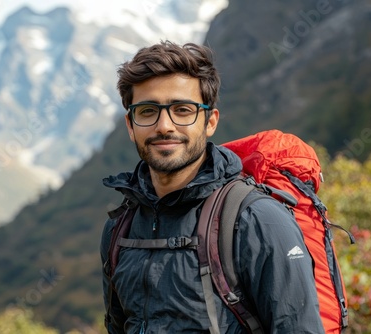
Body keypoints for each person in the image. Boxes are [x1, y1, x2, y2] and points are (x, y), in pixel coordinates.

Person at [100, 40, 324, 333]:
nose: (164, 125)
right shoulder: (120, 228)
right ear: (130, 126)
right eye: (147, 111)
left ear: (210, 122)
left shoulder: (257, 221)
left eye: (182, 110)